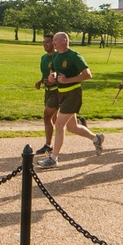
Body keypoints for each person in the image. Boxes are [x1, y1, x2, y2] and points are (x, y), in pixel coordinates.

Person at [37, 31, 104, 167]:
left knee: (59, 125)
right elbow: (55, 71)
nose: (53, 43)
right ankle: (96, 138)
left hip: (73, 94)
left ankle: (53, 158)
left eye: (56, 40)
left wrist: (68, 80)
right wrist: (52, 76)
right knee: (72, 127)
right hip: (62, 94)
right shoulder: (56, 56)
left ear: (64, 41)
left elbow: (88, 75)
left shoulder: (74, 56)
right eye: (53, 40)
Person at [34, 33, 59, 156]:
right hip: (47, 91)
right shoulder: (43, 58)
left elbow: (59, 75)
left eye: (47, 42)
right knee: (55, 119)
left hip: (57, 91)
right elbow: (46, 75)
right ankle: (91, 134)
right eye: (43, 42)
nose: (45, 44)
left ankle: (48, 145)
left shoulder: (57, 57)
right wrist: (40, 81)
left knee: (47, 116)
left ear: (54, 43)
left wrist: (53, 80)